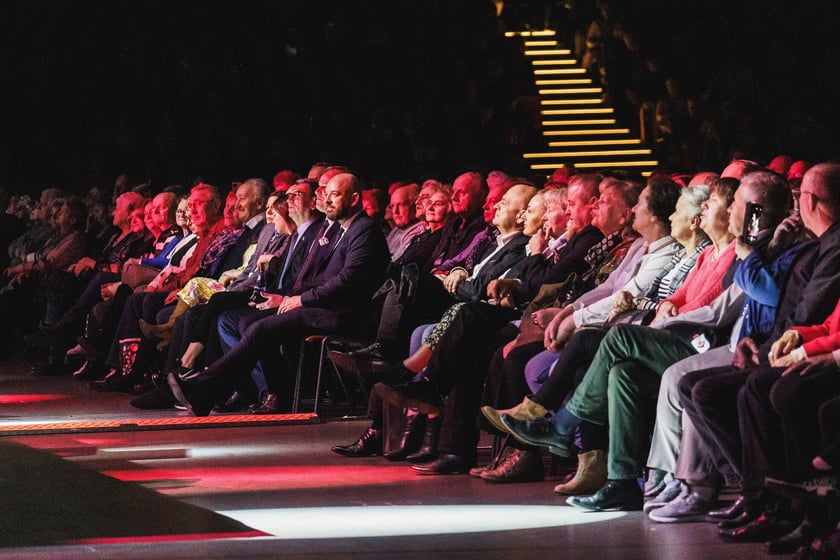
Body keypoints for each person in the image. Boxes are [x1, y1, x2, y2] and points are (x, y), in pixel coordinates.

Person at [682, 163, 840, 546]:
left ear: (811, 200)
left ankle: (778, 500)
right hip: (779, 344)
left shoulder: (824, 245)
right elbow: (797, 316)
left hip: (808, 353)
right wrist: (760, 341)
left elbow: (789, 303)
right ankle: (758, 490)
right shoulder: (809, 243)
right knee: (695, 387)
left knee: (760, 389)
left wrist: (750, 253)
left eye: (736, 200)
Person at [166, 172, 389, 415]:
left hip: (343, 313)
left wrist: (300, 299)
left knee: (262, 328)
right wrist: (288, 298)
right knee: (253, 322)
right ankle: (244, 392)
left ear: (355, 198)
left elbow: (348, 281)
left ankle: (208, 388)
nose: (327, 199)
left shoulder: (364, 230)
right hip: (321, 306)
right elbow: (319, 278)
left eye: (335, 194)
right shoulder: (342, 230)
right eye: (327, 194)